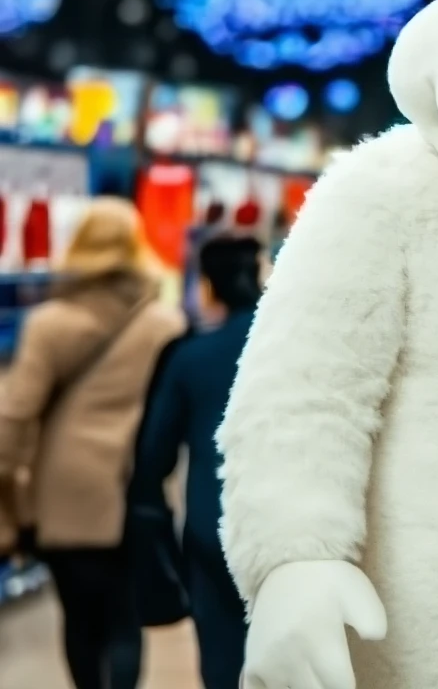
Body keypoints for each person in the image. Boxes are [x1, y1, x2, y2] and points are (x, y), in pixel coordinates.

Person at [0, 197, 186, 689]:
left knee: (80, 621)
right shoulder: (164, 324)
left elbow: (15, 415)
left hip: (64, 493)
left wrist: (9, 491)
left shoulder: (51, 323)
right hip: (135, 486)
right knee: (126, 617)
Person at [129, 233, 264, 689]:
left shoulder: (191, 357)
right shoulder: (294, 347)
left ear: (207, 287)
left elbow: (152, 459)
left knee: (225, 661)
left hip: (214, 531)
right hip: (297, 530)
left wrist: (158, 536)